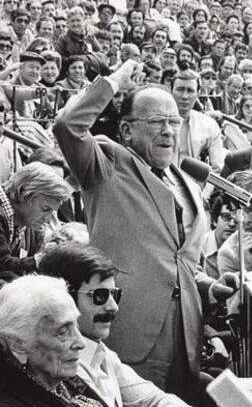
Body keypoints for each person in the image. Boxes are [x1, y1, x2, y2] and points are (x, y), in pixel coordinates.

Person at [53, 60, 238, 403]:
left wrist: (210, 288)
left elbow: (179, 262)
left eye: (173, 121)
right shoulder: (107, 164)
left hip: (185, 337)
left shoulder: (188, 180)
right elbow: (68, 126)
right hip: (129, 330)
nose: (168, 130)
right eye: (156, 122)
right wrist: (114, 81)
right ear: (126, 130)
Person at [39, 243, 190, 407]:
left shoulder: (101, 353)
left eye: (115, 294)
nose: (113, 307)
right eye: (100, 295)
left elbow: (154, 399)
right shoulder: (56, 366)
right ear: (63, 299)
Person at [0, 274, 106, 406]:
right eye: (63, 332)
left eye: (76, 325)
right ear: (18, 345)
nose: (81, 343)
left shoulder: (61, 379)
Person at [0, 162, 71, 273]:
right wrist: (42, 260)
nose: (48, 218)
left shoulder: (26, 221)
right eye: (46, 209)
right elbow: (2, 264)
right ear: (24, 193)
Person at [171, 68, 226, 173]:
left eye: (190, 91)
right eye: (180, 89)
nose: (184, 96)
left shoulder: (209, 125)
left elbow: (217, 168)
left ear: (198, 93)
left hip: (195, 185)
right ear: (171, 90)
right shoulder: (157, 121)